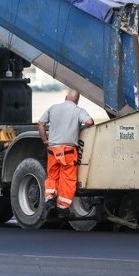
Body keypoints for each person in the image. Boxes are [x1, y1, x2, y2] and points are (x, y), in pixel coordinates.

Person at [37, 89, 94, 218]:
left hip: (53, 150)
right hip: (68, 152)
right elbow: (90, 122)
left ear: (65, 97)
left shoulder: (53, 108)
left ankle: (50, 199)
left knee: (52, 176)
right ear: (77, 100)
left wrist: (45, 140)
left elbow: (41, 124)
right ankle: (62, 208)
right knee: (67, 179)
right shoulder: (78, 110)